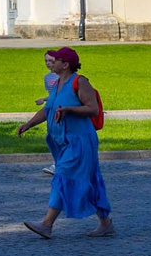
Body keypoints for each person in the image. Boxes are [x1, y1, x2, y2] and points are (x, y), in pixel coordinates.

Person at [17, 47, 112, 238]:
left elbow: (92, 109)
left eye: (56, 60)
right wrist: (28, 124)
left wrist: (69, 109)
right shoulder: (58, 83)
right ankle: (105, 223)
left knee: (62, 176)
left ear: (66, 64)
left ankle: (46, 224)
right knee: (88, 181)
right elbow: (48, 109)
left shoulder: (80, 82)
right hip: (62, 141)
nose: (52, 63)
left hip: (80, 141)